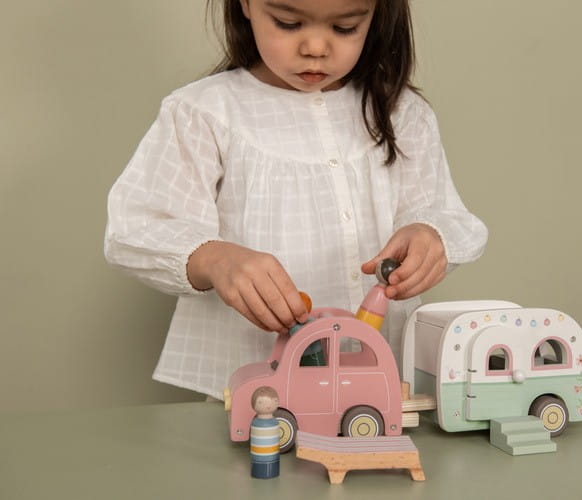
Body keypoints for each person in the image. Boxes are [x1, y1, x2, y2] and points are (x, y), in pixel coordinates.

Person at [104, 0, 487, 400]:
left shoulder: (401, 112)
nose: (315, 48)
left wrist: (429, 238)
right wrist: (214, 259)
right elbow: (136, 228)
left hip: (377, 379)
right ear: (246, 4)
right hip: (254, 386)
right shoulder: (203, 112)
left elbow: (442, 213)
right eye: (288, 23)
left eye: (345, 27)